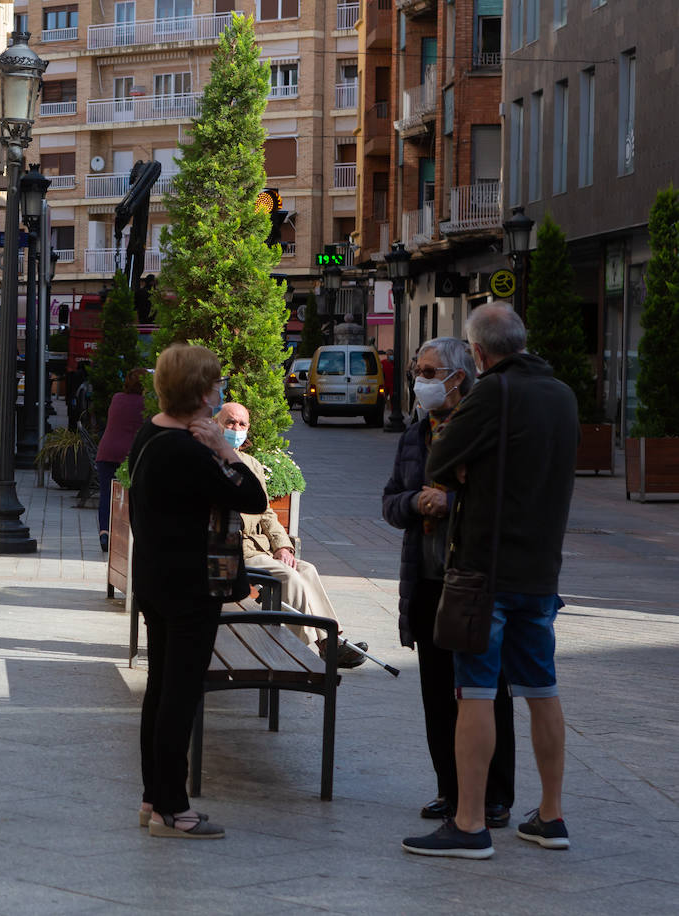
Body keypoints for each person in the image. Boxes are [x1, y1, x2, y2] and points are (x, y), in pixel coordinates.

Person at [403, 302, 579, 859]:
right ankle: (550, 815)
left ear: (478, 354)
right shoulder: (562, 395)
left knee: (474, 692)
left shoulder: (492, 394)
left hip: (485, 570)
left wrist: (465, 468)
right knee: (541, 691)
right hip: (541, 570)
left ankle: (470, 822)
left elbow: (440, 459)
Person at [129, 344, 268, 838]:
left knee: (161, 690)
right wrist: (225, 451)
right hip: (190, 588)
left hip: (157, 581)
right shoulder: (190, 449)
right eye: (215, 384)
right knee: (178, 697)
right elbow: (252, 496)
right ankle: (172, 809)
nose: (220, 392)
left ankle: (154, 799)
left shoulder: (153, 431)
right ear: (200, 392)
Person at [383, 337, 516, 830]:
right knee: (437, 693)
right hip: (425, 578)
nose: (422, 381)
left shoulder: (482, 433)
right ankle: (450, 789)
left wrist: (450, 504)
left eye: (431, 372)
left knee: (485, 692)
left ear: (459, 379)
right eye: (419, 370)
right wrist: (416, 503)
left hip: (471, 579)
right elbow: (390, 500)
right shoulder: (415, 435)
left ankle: (496, 794)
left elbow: (498, 503)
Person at [215, 402, 367, 669]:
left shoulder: (252, 464)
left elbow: (267, 512)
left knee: (306, 570)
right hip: (233, 551)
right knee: (288, 577)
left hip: (258, 548)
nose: (235, 428)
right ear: (217, 425)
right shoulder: (211, 461)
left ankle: (331, 640)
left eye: (242, 424)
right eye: (230, 422)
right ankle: (302, 648)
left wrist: (283, 547)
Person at [95, 368, 148, 552]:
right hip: (130, 455)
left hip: (107, 452)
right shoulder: (146, 404)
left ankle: (104, 533)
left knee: (106, 494)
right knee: (132, 496)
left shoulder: (117, 398)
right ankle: (127, 534)